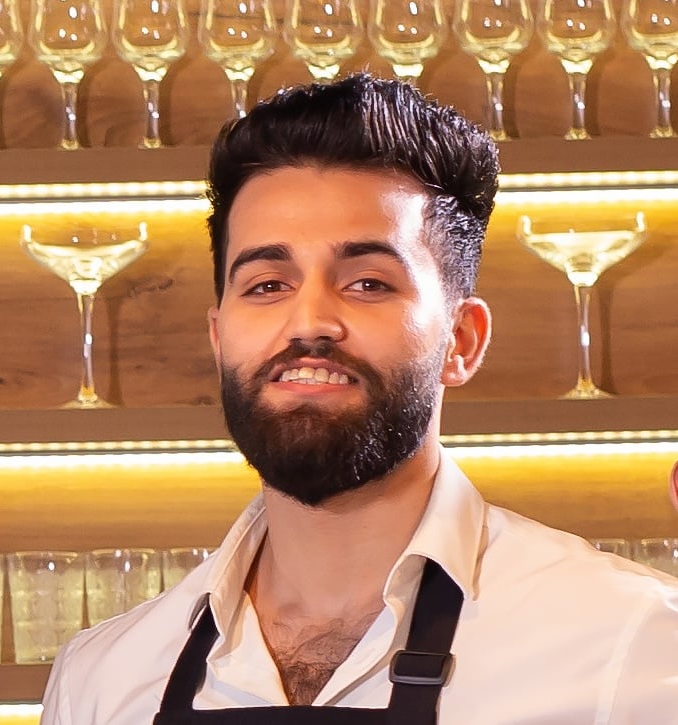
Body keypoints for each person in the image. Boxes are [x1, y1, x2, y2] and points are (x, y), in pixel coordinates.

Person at [40, 74, 678, 724]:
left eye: (367, 282)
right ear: (218, 335)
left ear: (460, 340)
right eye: (266, 284)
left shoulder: (635, 644)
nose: (308, 320)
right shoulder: (101, 678)